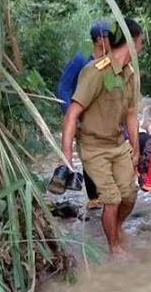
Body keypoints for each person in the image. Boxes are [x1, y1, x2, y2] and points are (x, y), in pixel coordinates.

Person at [61, 18, 143, 256]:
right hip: (93, 146)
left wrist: (135, 149)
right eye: (140, 42)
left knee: (129, 194)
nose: (142, 46)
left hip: (118, 144)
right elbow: (72, 113)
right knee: (112, 198)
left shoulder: (130, 74)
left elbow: (130, 114)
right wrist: (67, 157)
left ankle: (115, 229)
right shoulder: (95, 72)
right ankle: (114, 249)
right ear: (133, 42)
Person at [56, 20, 110, 209]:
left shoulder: (110, 60)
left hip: (103, 116)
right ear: (99, 40)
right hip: (82, 115)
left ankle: (107, 193)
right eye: (108, 37)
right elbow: (63, 88)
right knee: (88, 154)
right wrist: (71, 115)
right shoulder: (81, 59)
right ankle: (94, 197)